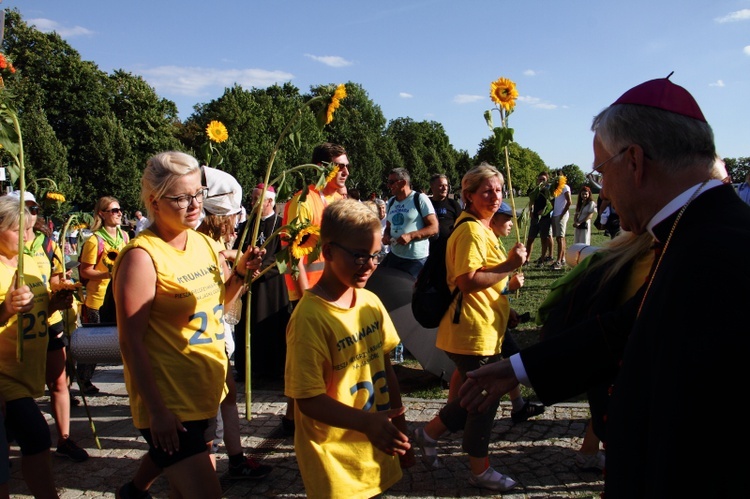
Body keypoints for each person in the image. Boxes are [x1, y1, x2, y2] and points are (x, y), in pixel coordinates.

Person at [459, 76, 750, 498]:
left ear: (634, 161)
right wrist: (519, 367)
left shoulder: (717, 247)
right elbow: (630, 326)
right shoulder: (694, 229)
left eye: (601, 171)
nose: (604, 191)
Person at [113, 151, 264, 499]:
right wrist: (157, 411)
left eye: (198, 193)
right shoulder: (141, 257)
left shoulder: (203, 244)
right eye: (181, 197)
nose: (195, 204)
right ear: (154, 200)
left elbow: (220, 304)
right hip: (171, 401)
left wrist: (241, 273)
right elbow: (130, 342)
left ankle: (133, 492)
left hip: (205, 392)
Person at [284, 198, 411, 498]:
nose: (369, 265)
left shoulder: (370, 302)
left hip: (375, 447)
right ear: (327, 251)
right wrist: (365, 423)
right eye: (359, 256)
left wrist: (401, 432)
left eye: (376, 255)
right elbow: (308, 400)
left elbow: (385, 368)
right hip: (334, 460)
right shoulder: (309, 318)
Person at [413, 163, 526, 492]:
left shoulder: (482, 227)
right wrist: (510, 266)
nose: (495, 196)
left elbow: (486, 281)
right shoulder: (471, 231)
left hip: (485, 328)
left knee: (469, 397)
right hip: (471, 333)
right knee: (484, 401)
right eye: (487, 191)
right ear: (469, 196)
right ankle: (479, 469)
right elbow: (467, 280)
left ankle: (428, 433)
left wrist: (507, 306)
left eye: (499, 190)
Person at [0, 195, 73, 499]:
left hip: (28, 370)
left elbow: (38, 306)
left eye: (29, 230)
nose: (27, 237)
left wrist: (55, 303)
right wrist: (5, 310)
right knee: (37, 436)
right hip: (3, 373)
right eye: (19, 231)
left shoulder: (27, 262)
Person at [8, 191, 89, 463]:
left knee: (58, 381)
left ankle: (65, 439)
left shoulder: (45, 244)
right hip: (13, 335)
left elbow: (54, 279)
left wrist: (61, 295)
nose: (30, 214)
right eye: (24, 209)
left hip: (48, 321)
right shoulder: (10, 248)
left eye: (34, 208)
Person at [279, 142, 350, 434]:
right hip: (310, 292)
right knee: (307, 358)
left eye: (347, 165)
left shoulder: (334, 199)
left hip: (335, 289)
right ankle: (295, 419)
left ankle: (293, 417)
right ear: (323, 168)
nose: (346, 171)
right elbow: (292, 252)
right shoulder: (303, 201)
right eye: (340, 165)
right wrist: (305, 295)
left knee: (323, 357)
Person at [233, 183, 290, 382]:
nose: (251, 202)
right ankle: (248, 368)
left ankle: (272, 370)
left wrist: (261, 269)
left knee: (270, 328)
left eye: (256, 198)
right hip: (248, 284)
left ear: (268, 202)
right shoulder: (248, 225)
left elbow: (284, 257)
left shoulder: (282, 225)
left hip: (271, 287)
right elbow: (238, 250)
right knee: (247, 325)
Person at [77, 195, 129, 394]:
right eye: (114, 211)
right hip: (98, 299)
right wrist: (108, 273)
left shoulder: (124, 237)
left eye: (119, 209)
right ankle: (83, 378)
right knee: (94, 345)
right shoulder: (94, 240)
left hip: (119, 296)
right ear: (102, 214)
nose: (119, 214)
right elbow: (85, 271)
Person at [381, 167, 438, 279]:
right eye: (388, 182)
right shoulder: (391, 201)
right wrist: (386, 235)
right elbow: (388, 226)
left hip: (415, 259)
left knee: (409, 292)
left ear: (403, 183)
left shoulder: (420, 199)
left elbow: (434, 228)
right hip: (395, 255)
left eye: (391, 182)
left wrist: (411, 236)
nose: (388, 185)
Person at [524, 171, 553, 266]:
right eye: (540, 179)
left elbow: (551, 204)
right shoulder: (535, 191)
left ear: (547, 180)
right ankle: (527, 259)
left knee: (543, 239)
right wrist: (531, 211)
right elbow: (531, 202)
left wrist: (544, 211)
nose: (541, 181)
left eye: (543, 179)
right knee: (530, 239)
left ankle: (542, 259)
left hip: (545, 217)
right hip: (535, 217)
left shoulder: (549, 191)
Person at [428, 173, 463, 242]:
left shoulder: (453, 204)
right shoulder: (426, 204)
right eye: (441, 186)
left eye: (446, 185)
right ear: (432, 187)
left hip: (448, 247)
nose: (445, 188)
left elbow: (461, 225)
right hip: (428, 248)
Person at [549, 171, 571, 270]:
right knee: (559, 238)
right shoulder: (557, 189)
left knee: (560, 238)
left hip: (561, 215)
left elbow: (569, 202)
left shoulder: (565, 187)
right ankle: (562, 259)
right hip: (556, 214)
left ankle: (558, 261)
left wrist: (562, 214)